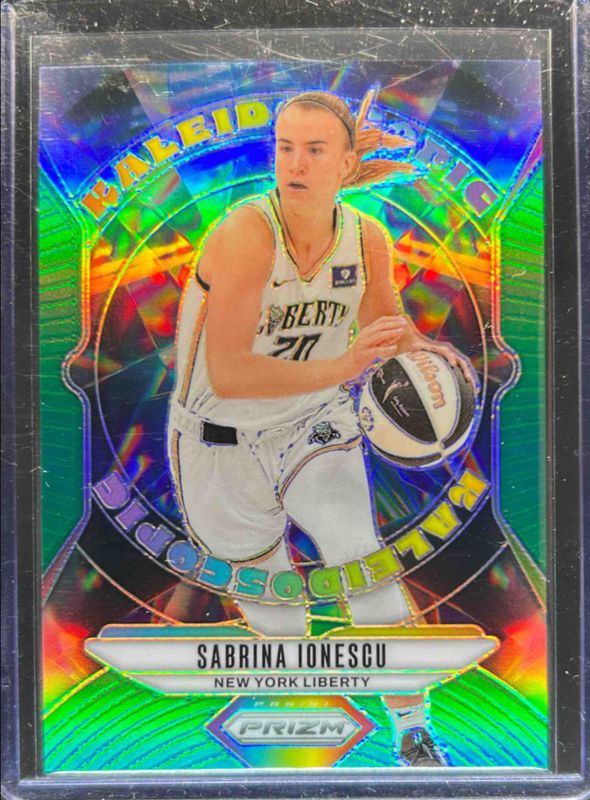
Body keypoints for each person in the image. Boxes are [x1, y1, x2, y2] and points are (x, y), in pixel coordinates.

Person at [167, 90, 473, 766]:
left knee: (358, 554)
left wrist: (424, 353)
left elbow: (384, 325)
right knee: (278, 610)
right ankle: (306, 725)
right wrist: (344, 364)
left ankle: (413, 729)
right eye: (285, 148)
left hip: (315, 422)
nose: (295, 163)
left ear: (345, 163)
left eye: (313, 149)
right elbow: (230, 374)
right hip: (217, 440)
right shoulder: (246, 234)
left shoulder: (366, 237)